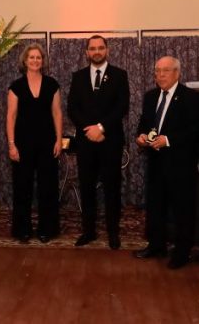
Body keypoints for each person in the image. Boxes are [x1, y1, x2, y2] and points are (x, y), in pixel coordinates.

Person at [134, 56, 199, 269]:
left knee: (182, 210)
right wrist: (141, 136)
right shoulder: (150, 96)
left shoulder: (190, 97)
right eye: (157, 71)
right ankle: (156, 245)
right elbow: (144, 124)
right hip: (155, 163)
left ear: (177, 73)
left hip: (180, 164)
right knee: (155, 207)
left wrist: (169, 140)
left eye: (165, 71)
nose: (160, 75)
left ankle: (182, 253)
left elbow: (196, 131)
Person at [68, 35, 129, 250]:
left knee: (112, 188)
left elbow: (122, 107)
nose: (96, 51)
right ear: (86, 52)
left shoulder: (120, 75)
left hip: (110, 141)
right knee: (87, 188)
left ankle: (113, 232)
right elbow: (72, 108)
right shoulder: (78, 77)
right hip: (86, 141)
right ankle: (89, 231)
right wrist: (90, 129)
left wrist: (101, 128)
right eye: (92, 48)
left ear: (107, 50)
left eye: (100, 48)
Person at [7, 43, 63, 243]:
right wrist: (11, 144)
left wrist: (58, 139)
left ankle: (47, 229)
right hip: (22, 143)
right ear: (25, 61)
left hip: (48, 142)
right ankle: (22, 229)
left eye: (38, 57)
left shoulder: (52, 84)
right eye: (31, 57)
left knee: (48, 187)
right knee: (22, 187)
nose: (35, 60)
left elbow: (57, 113)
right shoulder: (16, 86)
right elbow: (11, 116)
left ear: (43, 61)